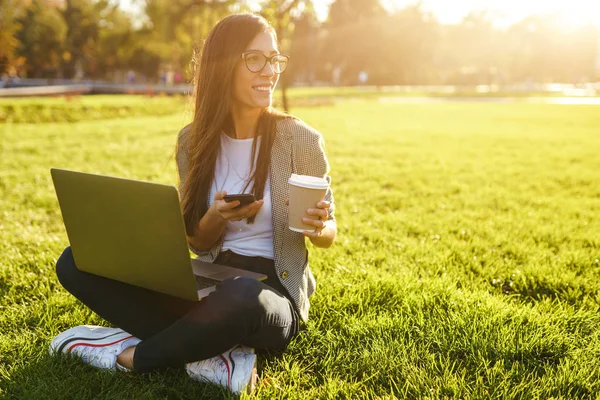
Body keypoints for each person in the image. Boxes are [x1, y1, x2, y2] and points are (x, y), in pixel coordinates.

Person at [50, 13, 337, 394]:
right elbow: (199, 244)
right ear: (223, 66)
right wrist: (216, 216)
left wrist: (320, 226)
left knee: (240, 295)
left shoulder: (300, 140)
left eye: (275, 59)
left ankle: (131, 356)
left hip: (269, 295)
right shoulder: (193, 142)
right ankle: (215, 355)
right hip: (208, 282)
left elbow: (328, 233)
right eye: (255, 59)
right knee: (75, 261)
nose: (269, 70)